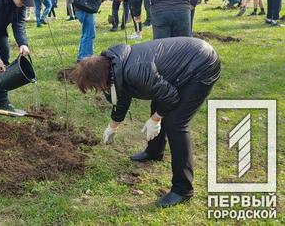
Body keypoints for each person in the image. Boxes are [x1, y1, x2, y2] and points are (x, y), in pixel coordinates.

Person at [71, 37, 221, 207]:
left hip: (201, 65)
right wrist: (112, 126)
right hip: (182, 65)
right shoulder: (116, 64)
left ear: (100, 78)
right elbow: (122, 96)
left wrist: (156, 119)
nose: (99, 90)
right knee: (158, 102)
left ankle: (182, 189)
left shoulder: (135, 71)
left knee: (176, 123)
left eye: (96, 87)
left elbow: (171, 97)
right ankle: (154, 151)